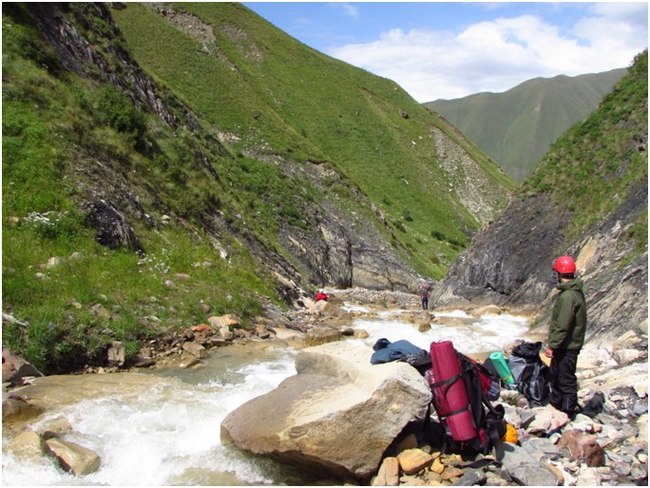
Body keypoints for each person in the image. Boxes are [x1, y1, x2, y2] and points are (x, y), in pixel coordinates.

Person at [544, 255, 587, 418]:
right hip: (570, 344)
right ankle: (559, 405)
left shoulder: (568, 296)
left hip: (567, 345)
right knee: (557, 374)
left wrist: (552, 345)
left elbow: (562, 325)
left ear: (559, 273)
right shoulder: (575, 292)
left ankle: (568, 411)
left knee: (565, 377)